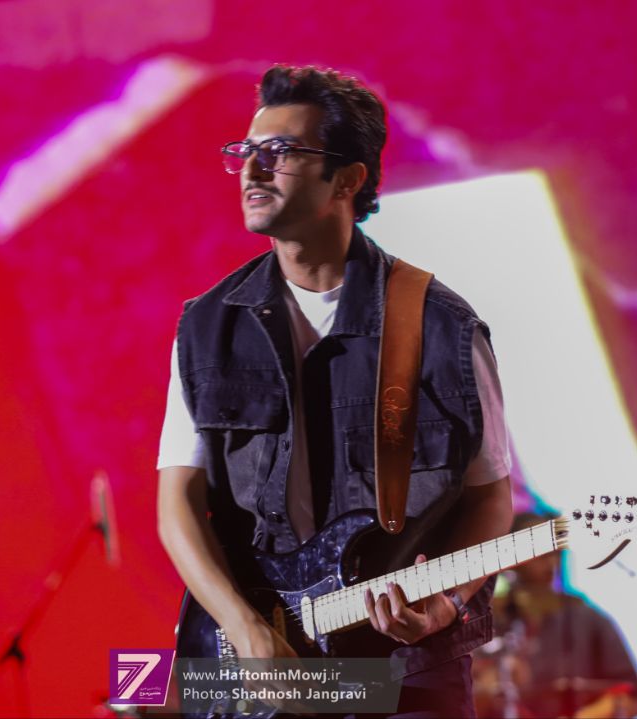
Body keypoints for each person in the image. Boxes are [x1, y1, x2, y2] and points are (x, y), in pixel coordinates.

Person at [156, 64, 514, 717]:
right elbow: (175, 501)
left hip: (401, 674)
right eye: (245, 151)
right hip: (251, 664)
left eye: (279, 152)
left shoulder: (444, 329)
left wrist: (446, 602)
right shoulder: (206, 326)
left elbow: (491, 498)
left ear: (346, 180)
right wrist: (245, 628)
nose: (252, 170)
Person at [472, 512, 637, 718]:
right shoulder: (484, 622)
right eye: (538, 552)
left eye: (554, 553)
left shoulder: (587, 620)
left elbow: (631, 697)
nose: (550, 563)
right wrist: (486, 689)